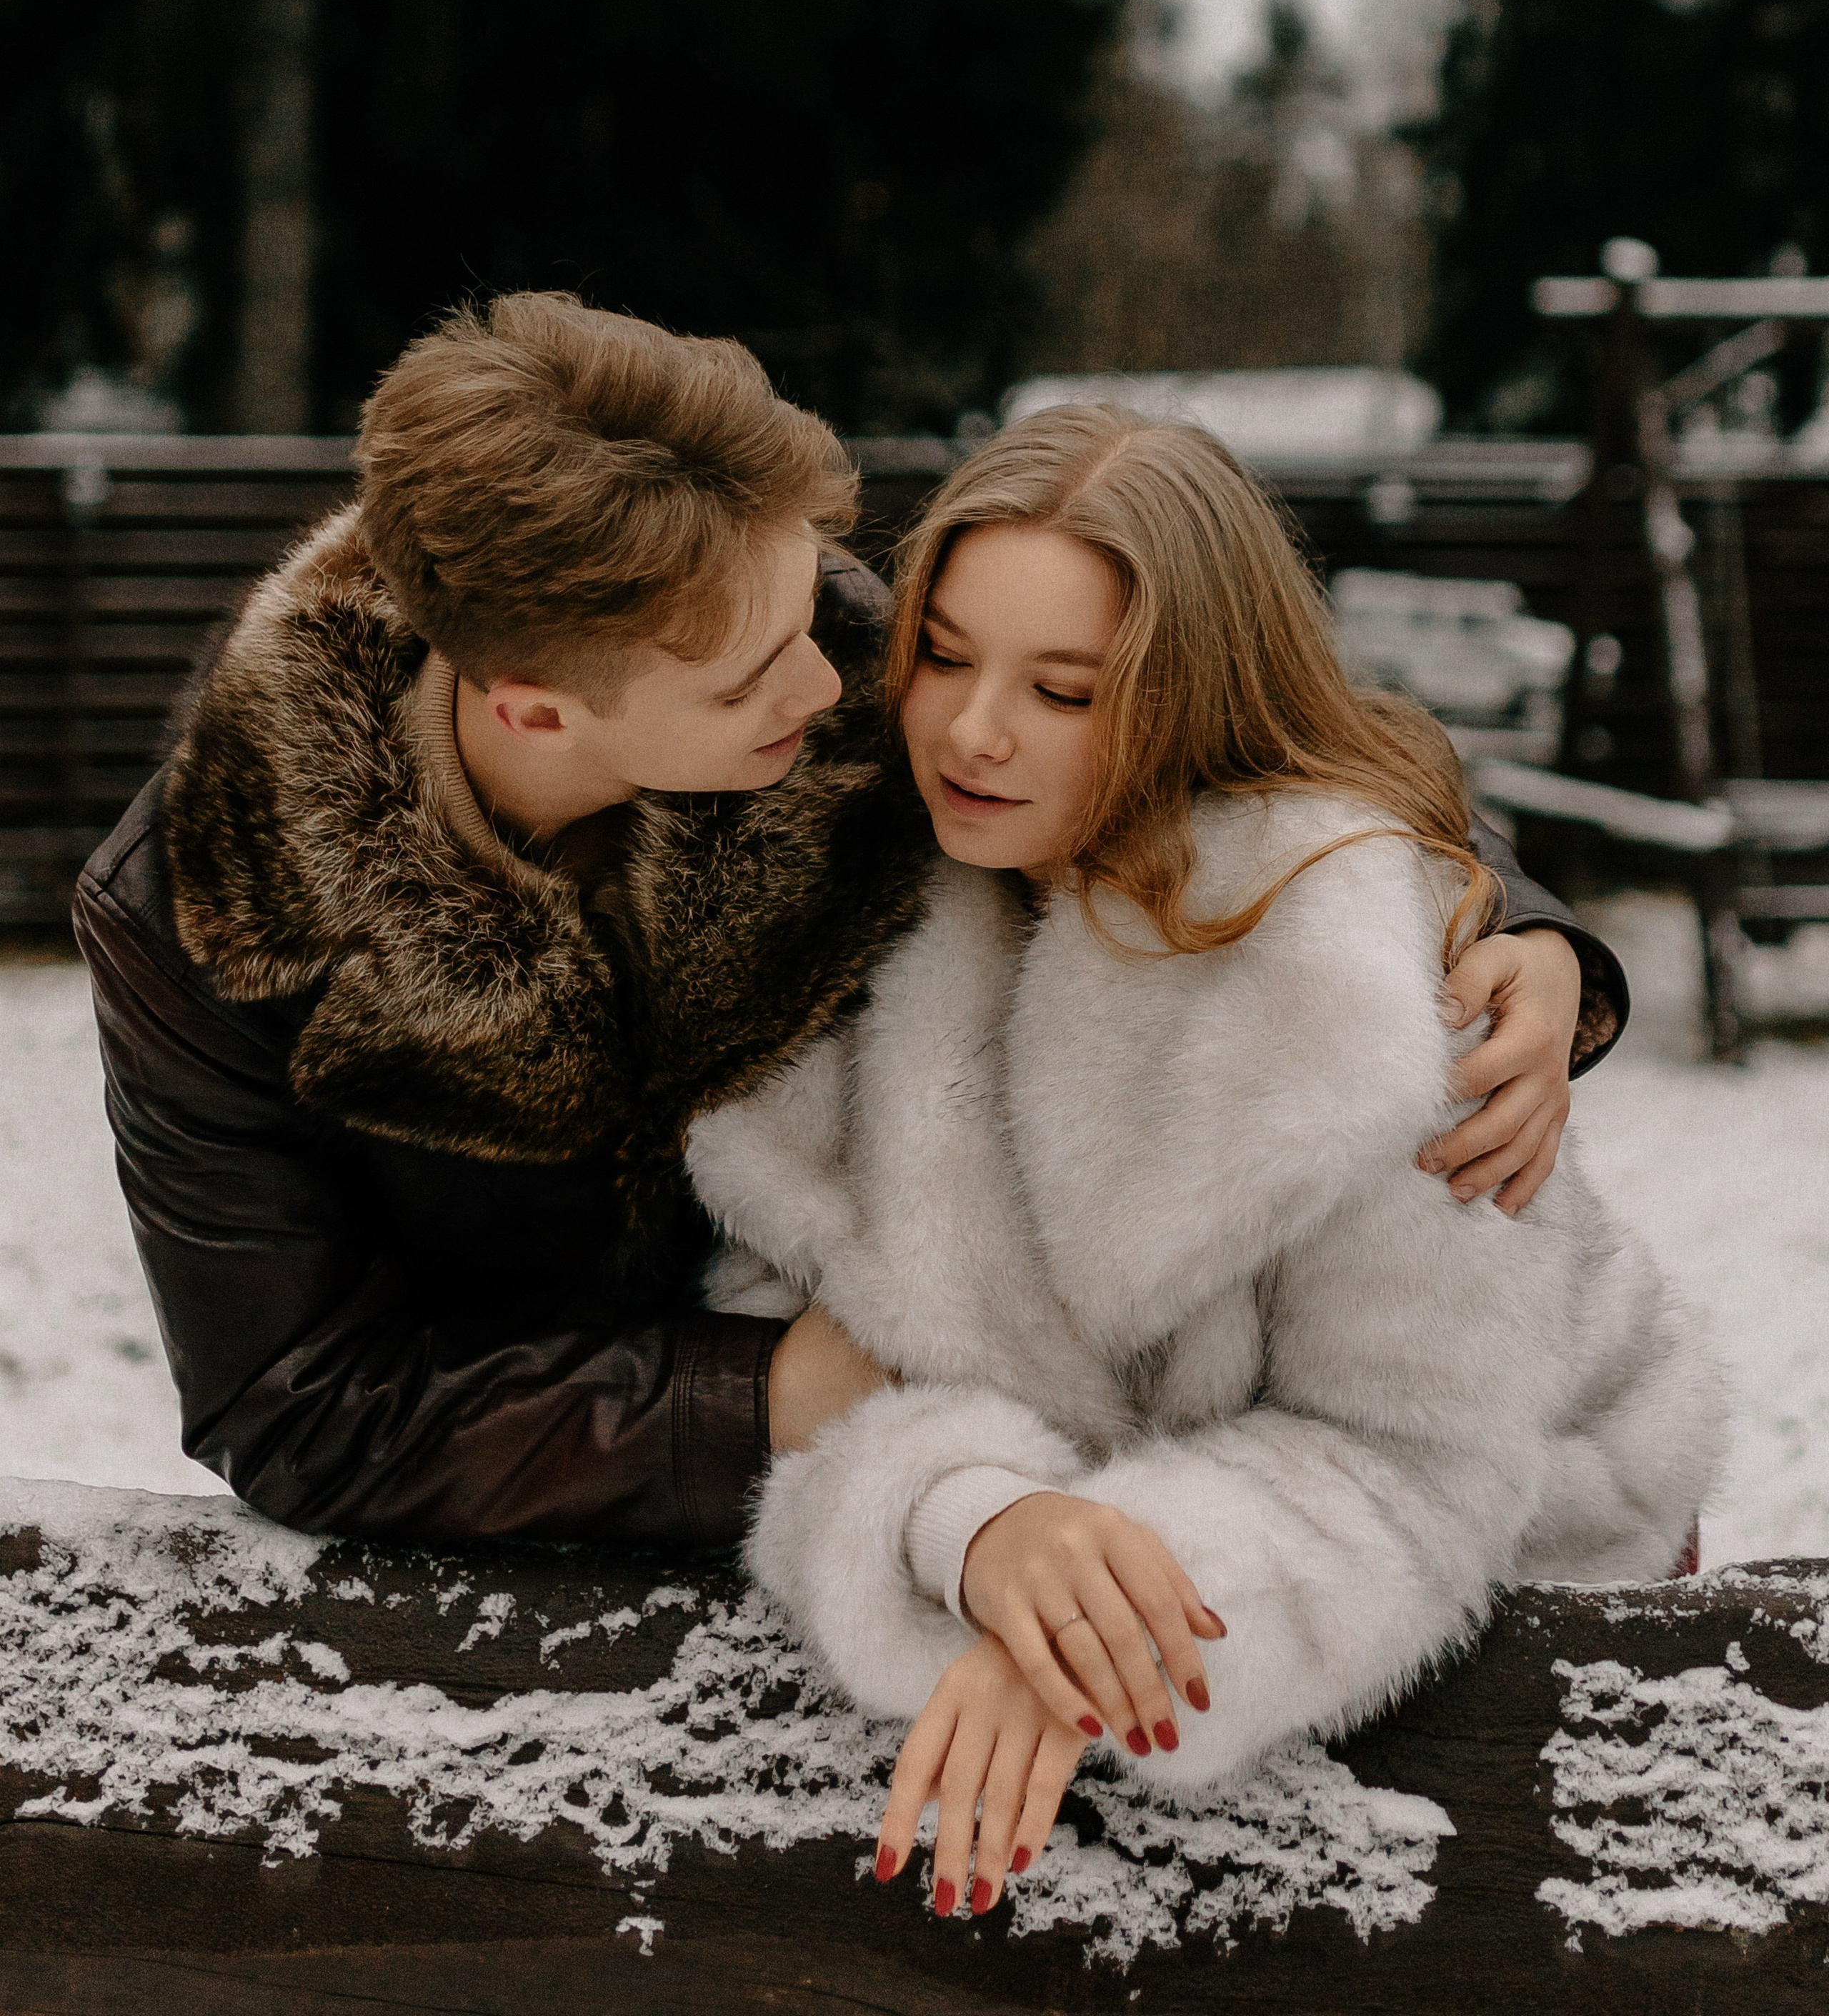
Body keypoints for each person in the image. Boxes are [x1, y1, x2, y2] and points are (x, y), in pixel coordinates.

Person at [75, 294, 1624, 1546]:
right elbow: (296, 1409)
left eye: (821, 609)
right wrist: (749, 1396)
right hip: (531, 1565)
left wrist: (1524, 927)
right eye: (759, 674)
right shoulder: (202, 925)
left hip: (933, 1517)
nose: (849, 694)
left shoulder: (793, 641)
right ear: (536, 712)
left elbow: (1224, 735)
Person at [686, 404, 1723, 1919]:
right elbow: (819, 1367)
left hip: (1530, 1618)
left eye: (1062, 690)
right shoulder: (849, 924)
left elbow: (1409, 1467)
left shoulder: (1365, 990)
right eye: (947, 655)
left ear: (1184, 701)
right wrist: (977, 1532)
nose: (971, 732)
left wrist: (1113, 1629)